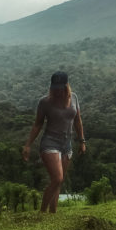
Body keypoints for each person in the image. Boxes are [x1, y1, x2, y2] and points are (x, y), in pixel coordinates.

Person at [22, 71, 86, 213]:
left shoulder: (74, 98)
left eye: (60, 87)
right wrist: (28, 145)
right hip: (50, 143)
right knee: (57, 178)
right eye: (54, 88)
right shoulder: (45, 102)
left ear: (66, 86)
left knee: (58, 181)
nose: (57, 91)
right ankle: (42, 212)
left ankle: (53, 213)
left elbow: (77, 120)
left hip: (66, 144)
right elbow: (38, 124)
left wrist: (82, 140)